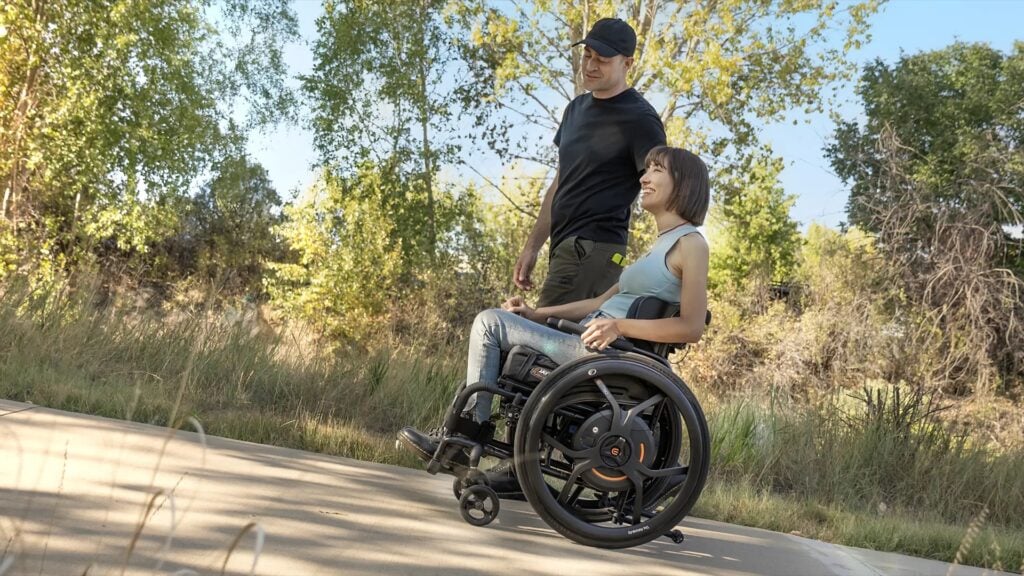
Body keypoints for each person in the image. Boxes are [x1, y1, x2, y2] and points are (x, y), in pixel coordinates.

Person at [398, 146, 710, 497]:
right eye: (646, 169)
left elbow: (691, 327)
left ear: (684, 183)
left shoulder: (691, 244)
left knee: (490, 324)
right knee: (503, 329)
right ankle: (491, 452)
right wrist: (536, 314)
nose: (644, 178)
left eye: (656, 170)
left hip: (604, 355)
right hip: (588, 343)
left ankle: (464, 438)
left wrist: (619, 327)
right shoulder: (659, 246)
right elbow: (596, 303)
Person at [515, 17, 667, 308]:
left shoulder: (641, 118)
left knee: (539, 329)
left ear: (627, 63)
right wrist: (532, 246)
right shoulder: (575, 110)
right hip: (565, 246)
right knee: (561, 335)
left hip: (595, 247)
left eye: (603, 60)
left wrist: (671, 256)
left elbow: (662, 184)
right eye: (587, 55)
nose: (590, 66)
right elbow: (560, 183)